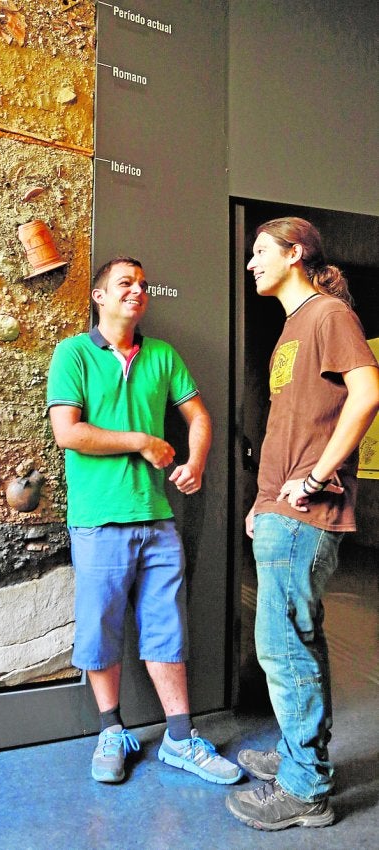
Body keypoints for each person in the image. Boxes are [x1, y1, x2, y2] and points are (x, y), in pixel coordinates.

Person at [47, 256, 243, 785]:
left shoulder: (162, 355)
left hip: (157, 518)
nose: (136, 291)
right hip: (97, 520)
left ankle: (180, 739)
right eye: (124, 284)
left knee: (167, 626)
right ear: (99, 297)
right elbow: (69, 432)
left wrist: (195, 462)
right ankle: (111, 731)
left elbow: (199, 416)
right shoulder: (72, 354)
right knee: (101, 627)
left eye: (142, 284)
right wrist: (142, 441)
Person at [226, 217, 379, 830]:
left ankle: (304, 789)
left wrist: (314, 478)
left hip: (305, 513)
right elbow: (293, 427)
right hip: (280, 513)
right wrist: (263, 501)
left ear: (296, 254)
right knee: (297, 642)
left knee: (284, 649)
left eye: (261, 252)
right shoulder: (293, 327)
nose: (250, 263)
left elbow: (367, 394)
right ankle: (301, 757)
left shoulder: (327, 315)